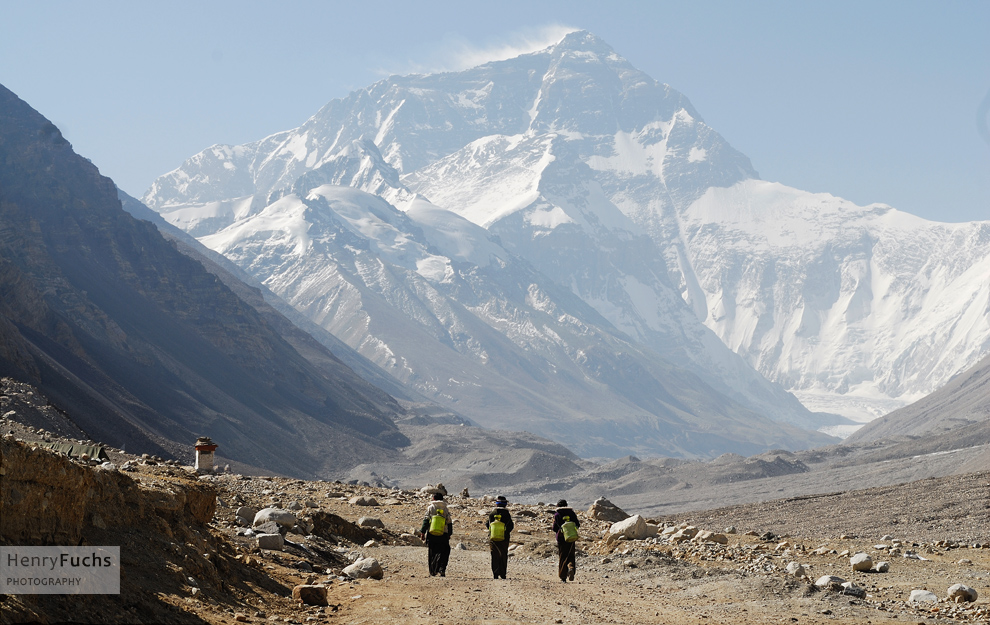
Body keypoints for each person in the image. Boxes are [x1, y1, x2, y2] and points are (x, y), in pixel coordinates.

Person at [419, 492, 453, 577]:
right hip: (443, 533)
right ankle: (442, 569)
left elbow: (426, 520)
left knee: (432, 552)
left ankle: (433, 571)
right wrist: (449, 533)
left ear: (434, 499)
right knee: (444, 551)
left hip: (432, 533)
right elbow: (449, 521)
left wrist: (422, 532)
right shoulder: (445, 509)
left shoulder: (431, 507)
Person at [485, 495, 515, 579]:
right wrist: (505, 532)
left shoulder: (492, 514)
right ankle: (503, 574)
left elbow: (487, 524)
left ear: (496, 504)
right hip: (504, 538)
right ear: (505, 504)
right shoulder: (507, 514)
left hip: (493, 538)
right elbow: (511, 526)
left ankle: (495, 573)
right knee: (503, 555)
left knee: (494, 555)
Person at [552, 499, 580, 582]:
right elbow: (577, 524)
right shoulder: (572, 513)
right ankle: (571, 567)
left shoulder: (557, 514)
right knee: (571, 555)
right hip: (571, 537)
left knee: (563, 556)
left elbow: (554, 528)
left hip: (561, 539)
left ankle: (563, 577)